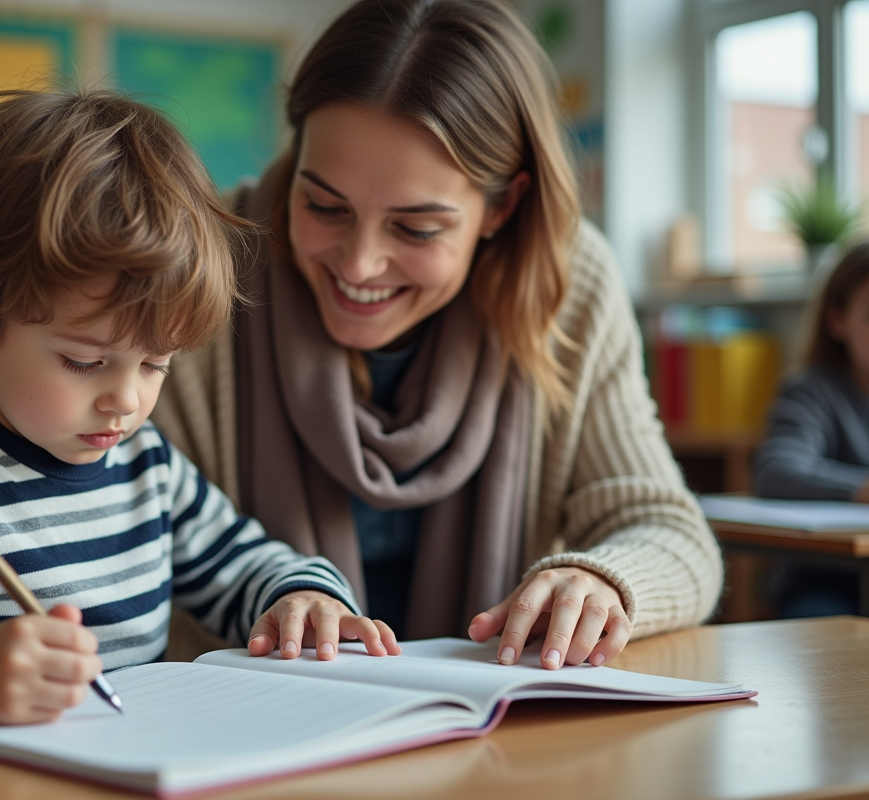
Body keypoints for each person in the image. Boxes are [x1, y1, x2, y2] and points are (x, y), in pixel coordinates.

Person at [0, 89, 398, 725]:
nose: (127, 400)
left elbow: (245, 565)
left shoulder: (147, 465)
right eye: (85, 361)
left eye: (156, 364)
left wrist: (302, 595)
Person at [153, 0, 723, 671]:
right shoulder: (200, 265)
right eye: (324, 206)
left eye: (416, 228)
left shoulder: (570, 284)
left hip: (491, 721)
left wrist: (601, 582)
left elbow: (671, 533)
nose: (359, 264)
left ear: (502, 206)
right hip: (246, 718)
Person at [750, 242, 869, 616]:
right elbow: (777, 470)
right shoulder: (812, 391)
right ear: (837, 320)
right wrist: (861, 489)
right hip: (825, 581)